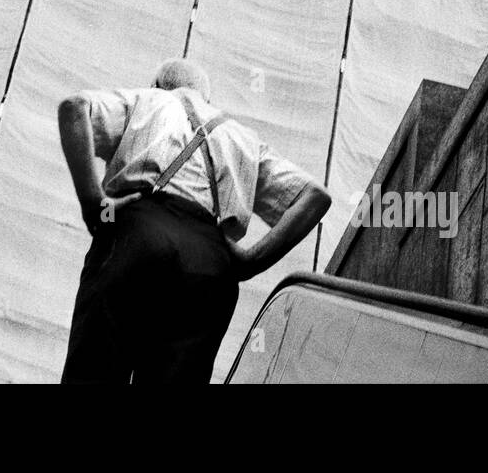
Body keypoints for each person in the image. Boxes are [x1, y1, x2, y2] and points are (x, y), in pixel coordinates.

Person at [57, 57, 331, 384]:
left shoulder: (148, 100)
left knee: (96, 368)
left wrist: (93, 203)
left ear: (158, 86)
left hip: (139, 236)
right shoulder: (243, 138)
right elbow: (315, 196)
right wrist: (251, 261)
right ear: (207, 99)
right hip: (210, 268)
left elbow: (74, 108)